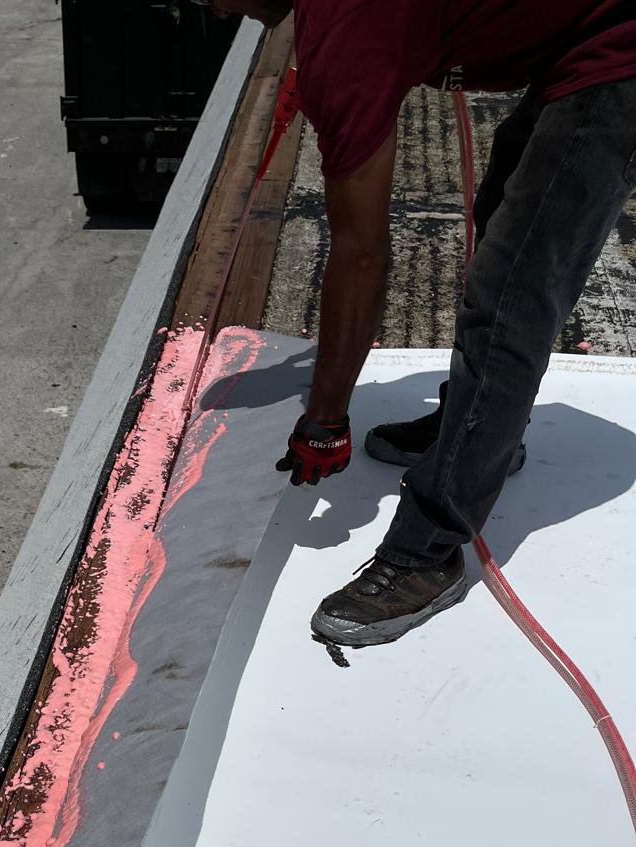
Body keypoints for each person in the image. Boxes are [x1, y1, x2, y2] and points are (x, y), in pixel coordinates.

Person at [209, 0, 636, 646]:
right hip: (577, 32)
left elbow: (362, 255)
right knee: (504, 198)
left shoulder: (344, 30)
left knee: (510, 295)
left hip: (618, 47)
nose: (208, 9)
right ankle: (482, 431)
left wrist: (324, 422)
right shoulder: (341, 30)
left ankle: (426, 550)